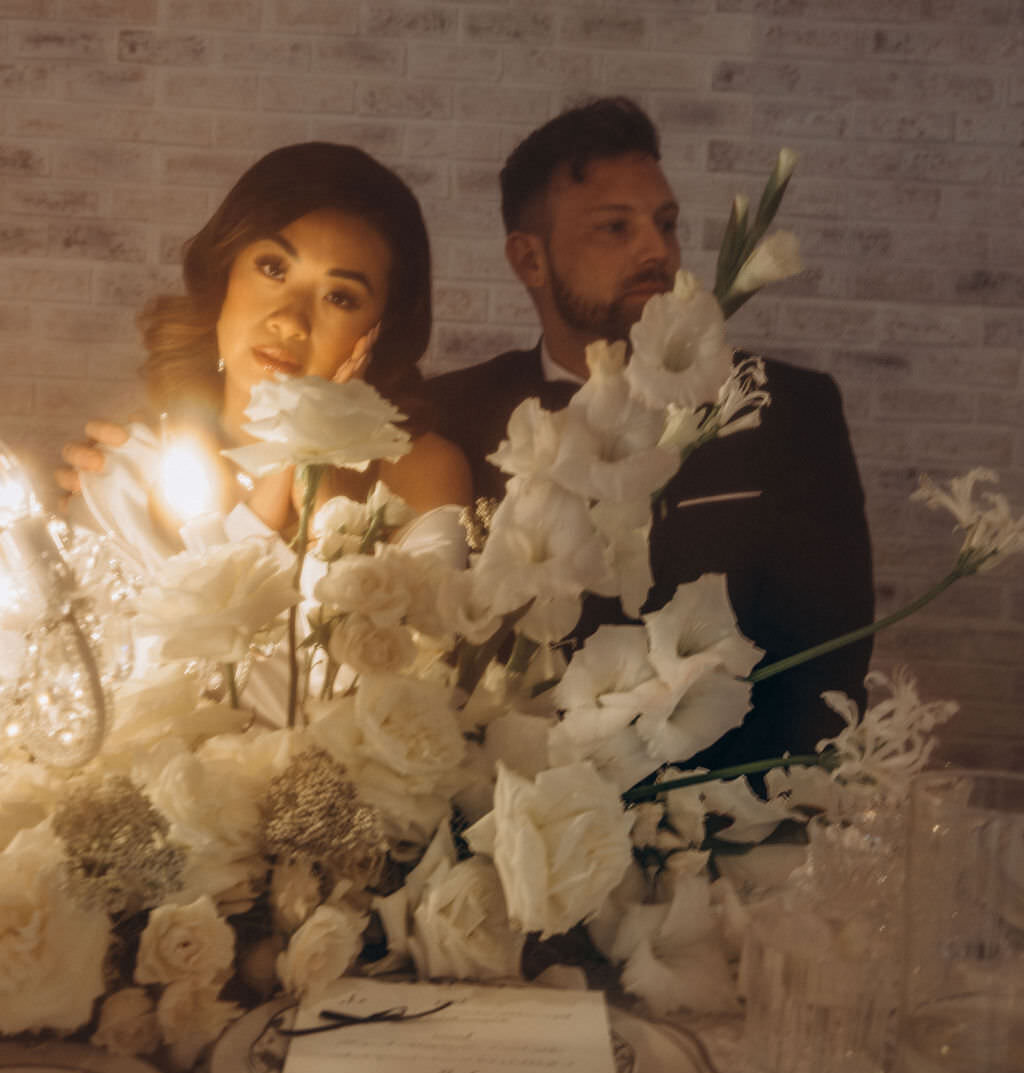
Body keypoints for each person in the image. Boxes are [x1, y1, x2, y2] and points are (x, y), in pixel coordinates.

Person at [422, 97, 875, 773]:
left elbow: (825, 674)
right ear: (529, 261)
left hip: (727, 831)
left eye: (666, 224)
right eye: (615, 227)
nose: (656, 250)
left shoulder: (783, 410)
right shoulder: (452, 419)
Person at [57, 142, 471, 568]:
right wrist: (267, 503)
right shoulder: (130, 472)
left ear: (381, 329)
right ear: (224, 275)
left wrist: (319, 496)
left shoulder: (420, 471)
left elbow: (420, 636)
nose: (291, 320)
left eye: (340, 297)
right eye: (274, 269)